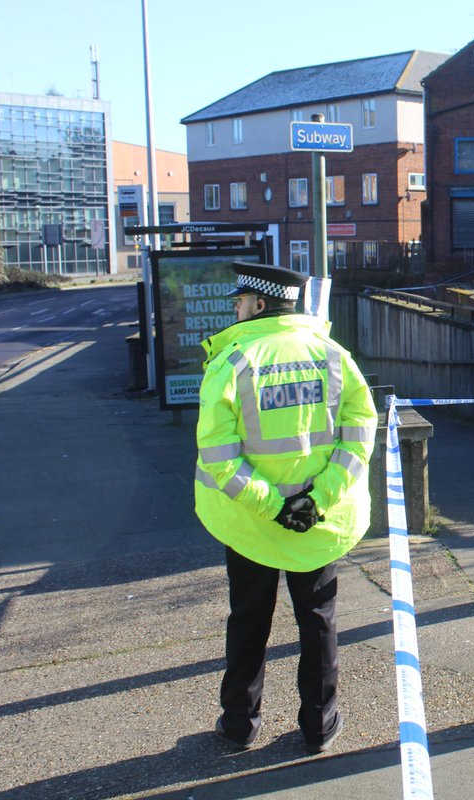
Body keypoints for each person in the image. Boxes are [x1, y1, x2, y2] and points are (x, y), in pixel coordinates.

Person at [193, 260, 377, 754]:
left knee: (248, 621)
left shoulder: (233, 360)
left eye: (238, 302)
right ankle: (319, 725)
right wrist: (315, 501)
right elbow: (359, 436)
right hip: (318, 523)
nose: (234, 310)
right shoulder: (333, 355)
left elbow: (217, 453)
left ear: (258, 304)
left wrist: (271, 506)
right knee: (318, 622)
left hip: (251, 523)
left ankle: (238, 725)